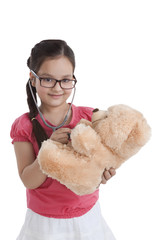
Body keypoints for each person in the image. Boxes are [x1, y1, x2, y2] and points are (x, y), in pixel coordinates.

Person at [10, 39, 116, 240]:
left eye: (66, 80)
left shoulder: (89, 117)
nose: (58, 88)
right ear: (33, 79)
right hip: (44, 225)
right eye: (48, 79)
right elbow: (28, 181)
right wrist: (51, 149)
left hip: (88, 218)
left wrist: (103, 173)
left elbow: (103, 160)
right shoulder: (24, 125)